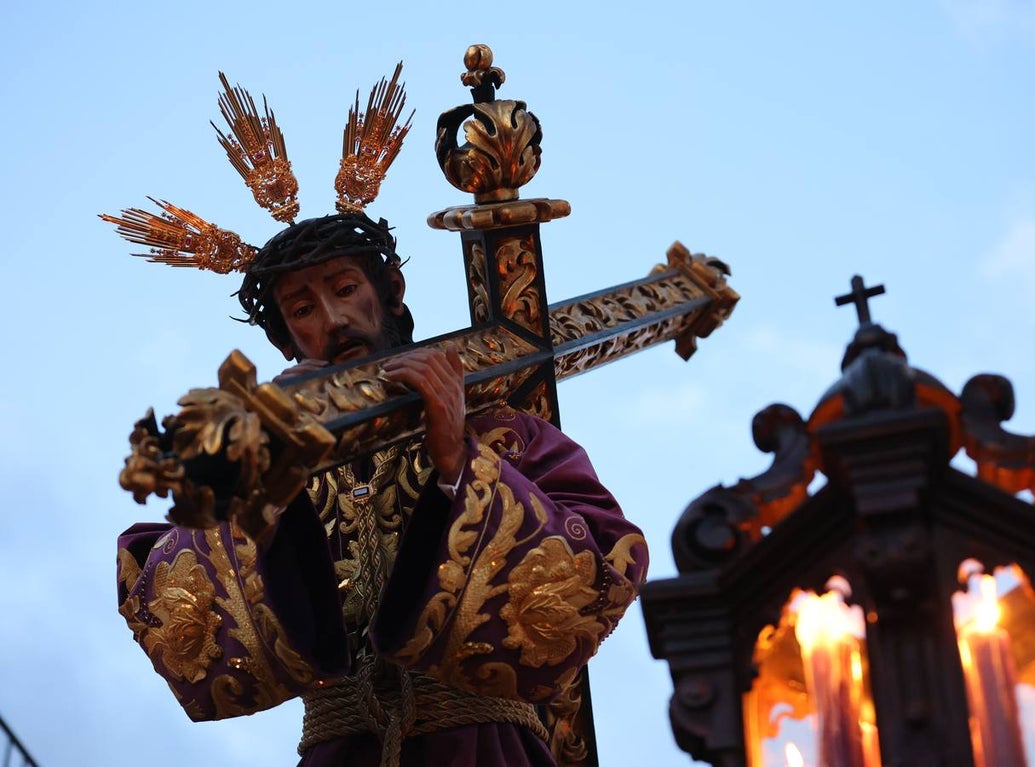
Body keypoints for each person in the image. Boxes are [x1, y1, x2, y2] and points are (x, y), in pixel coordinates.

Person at [115, 213, 649, 767]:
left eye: (346, 289)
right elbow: (180, 628)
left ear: (390, 291)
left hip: (484, 746)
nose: (334, 318)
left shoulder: (501, 431)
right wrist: (264, 486)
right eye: (302, 310)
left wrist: (458, 462)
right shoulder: (272, 460)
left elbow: (605, 562)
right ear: (285, 339)